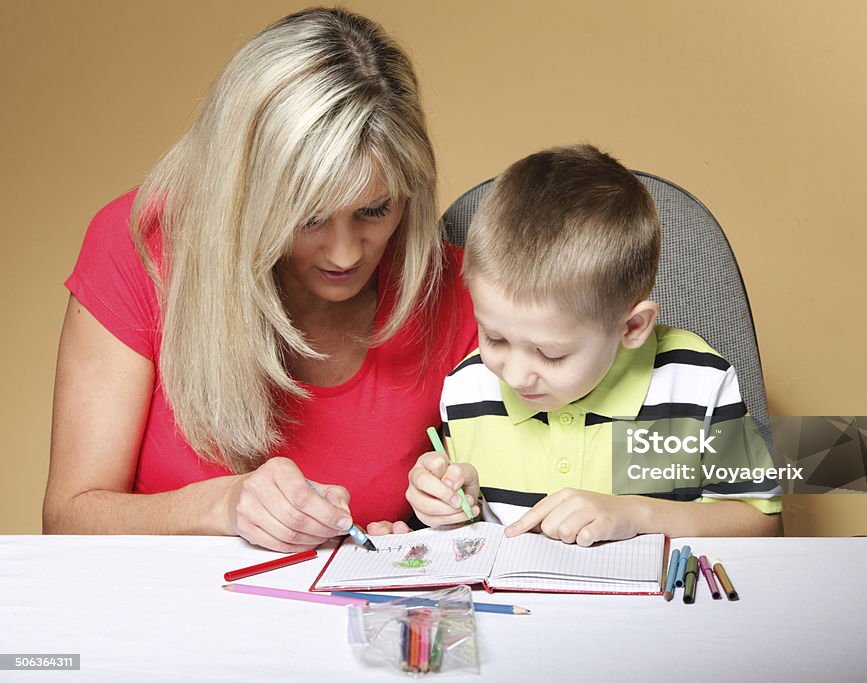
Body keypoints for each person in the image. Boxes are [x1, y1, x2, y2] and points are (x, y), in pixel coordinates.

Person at [43, 7, 479, 552]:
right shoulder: (140, 246)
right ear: (243, 192)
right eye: (308, 217)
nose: (345, 254)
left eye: (375, 209)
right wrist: (224, 505)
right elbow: (69, 517)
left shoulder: (461, 291)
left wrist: (445, 521)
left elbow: (561, 478)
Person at [406, 144, 782, 545]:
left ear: (632, 326)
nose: (513, 374)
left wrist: (638, 514)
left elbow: (763, 525)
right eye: (494, 337)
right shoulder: (467, 387)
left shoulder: (697, 382)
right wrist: (451, 506)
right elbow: (476, 538)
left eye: (551, 353)